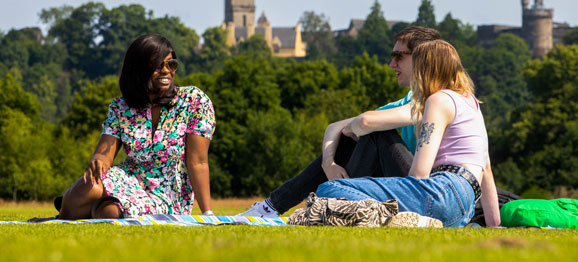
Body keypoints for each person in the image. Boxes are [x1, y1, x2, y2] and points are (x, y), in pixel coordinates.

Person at [239, 26, 442, 217]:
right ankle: (274, 206)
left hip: (430, 193)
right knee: (353, 137)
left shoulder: (439, 99)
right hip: (412, 185)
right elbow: (335, 127)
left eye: (398, 56)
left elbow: (365, 123)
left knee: (374, 132)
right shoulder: (409, 100)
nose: (391, 64)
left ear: (421, 57)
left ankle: (329, 205)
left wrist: (359, 126)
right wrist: (330, 164)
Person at [316, 40, 501, 227]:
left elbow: (419, 173)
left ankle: (394, 218)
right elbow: (486, 170)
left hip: (442, 191)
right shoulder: (471, 103)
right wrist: (495, 225)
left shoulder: (438, 100)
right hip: (465, 206)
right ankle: (406, 220)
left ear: (425, 70)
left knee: (329, 188)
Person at [51, 34, 216, 219]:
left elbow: (198, 161)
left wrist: (207, 214)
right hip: (128, 178)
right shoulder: (121, 107)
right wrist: (98, 161)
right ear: (138, 69)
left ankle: (100, 208)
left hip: (168, 192)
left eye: (171, 64)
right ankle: (68, 212)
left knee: (109, 212)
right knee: (85, 188)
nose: (166, 70)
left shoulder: (194, 101)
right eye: (157, 65)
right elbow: (105, 153)